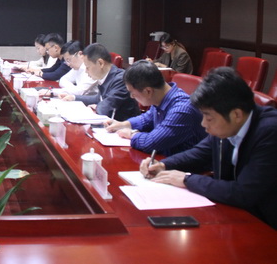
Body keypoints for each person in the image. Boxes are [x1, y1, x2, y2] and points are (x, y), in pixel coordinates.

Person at [141, 67, 277, 229]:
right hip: (233, 215)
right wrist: (164, 165)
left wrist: (187, 180)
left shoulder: (270, 132)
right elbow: (200, 153)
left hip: (265, 225)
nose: (203, 124)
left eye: (209, 118)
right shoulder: (228, 123)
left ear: (236, 115)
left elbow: (244, 192)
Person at [105, 61, 205, 155]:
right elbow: (146, 119)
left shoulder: (182, 109)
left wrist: (132, 134)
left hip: (184, 165)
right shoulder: (160, 97)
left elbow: (151, 143)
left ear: (148, 91)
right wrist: (122, 124)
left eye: (132, 93)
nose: (131, 96)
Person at [60, 43, 140, 121]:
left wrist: (97, 106)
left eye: (87, 67)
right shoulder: (105, 77)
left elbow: (107, 107)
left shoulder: (120, 80)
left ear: (100, 63)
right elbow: (98, 98)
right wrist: (74, 97)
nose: (86, 72)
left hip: (126, 127)